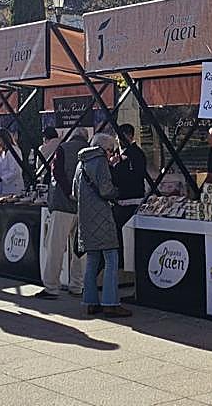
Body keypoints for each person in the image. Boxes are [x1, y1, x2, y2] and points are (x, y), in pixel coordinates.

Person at [75, 132, 130, 318]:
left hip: (85, 217)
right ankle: (110, 303)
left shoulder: (81, 163)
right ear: (104, 149)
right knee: (111, 258)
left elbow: (75, 192)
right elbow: (106, 190)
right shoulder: (100, 162)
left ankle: (90, 302)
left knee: (92, 260)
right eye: (111, 150)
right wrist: (117, 192)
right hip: (102, 217)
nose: (111, 154)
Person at [35, 126, 88, 300]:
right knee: (80, 250)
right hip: (83, 207)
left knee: (55, 248)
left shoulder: (63, 148)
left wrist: (68, 192)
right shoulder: (91, 151)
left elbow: (56, 172)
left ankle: (51, 287)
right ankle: (77, 285)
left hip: (62, 205)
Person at [110, 124, 148, 240]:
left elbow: (135, 176)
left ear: (130, 136)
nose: (118, 139)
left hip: (132, 200)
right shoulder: (116, 152)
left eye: (121, 136)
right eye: (117, 137)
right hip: (119, 201)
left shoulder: (137, 154)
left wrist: (116, 166)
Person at [0, 128, 26, 196]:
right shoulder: (0, 151)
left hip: (13, 188)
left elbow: (16, 171)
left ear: (5, 140)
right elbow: (1, 168)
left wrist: (0, 179)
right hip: (2, 189)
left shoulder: (14, 151)